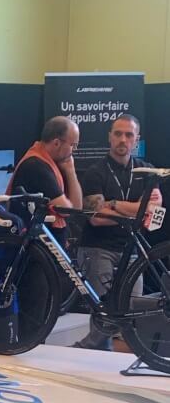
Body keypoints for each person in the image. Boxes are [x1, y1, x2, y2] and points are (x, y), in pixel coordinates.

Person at [75, 114, 160, 350]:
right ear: (110, 137)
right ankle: (90, 353)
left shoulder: (148, 171)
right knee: (103, 314)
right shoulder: (95, 172)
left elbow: (154, 212)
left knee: (130, 313)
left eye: (129, 135)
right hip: (97, 248)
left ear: (136, 140)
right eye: (118, 134)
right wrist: (137, 209)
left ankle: (101, 354)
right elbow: (96, 218)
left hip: (132, 250)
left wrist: (113, 205)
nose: (123, 139)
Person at [7, 116, 83, 240]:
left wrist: (71, 172)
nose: (74, 150)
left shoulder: (53, 163)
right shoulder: (36, 166)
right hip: (33, 241)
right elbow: (66, 210)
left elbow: (77, 208)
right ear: (56, 143)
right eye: (73, 145)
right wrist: (70, 171)